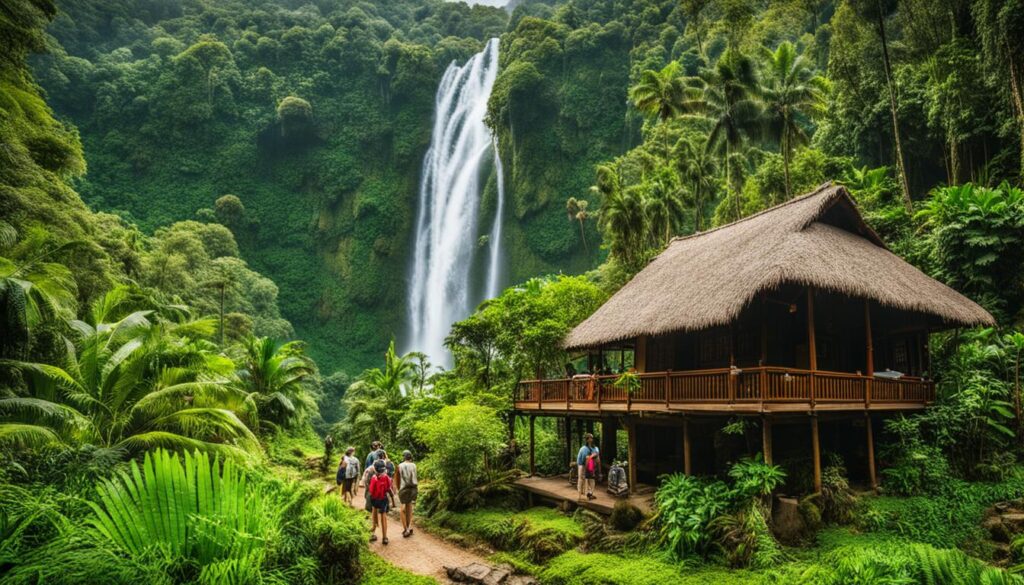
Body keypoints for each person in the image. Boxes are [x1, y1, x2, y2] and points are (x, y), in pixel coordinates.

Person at [368, 459, 393, 545]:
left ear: (375, 469)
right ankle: (385, 537)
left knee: (374, 514)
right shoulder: (386, 477)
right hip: (383, 499)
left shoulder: (374, 478)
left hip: (374, 499)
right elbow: (389, 488)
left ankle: (373, 532)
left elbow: (371, 491)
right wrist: (392, 499)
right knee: (384, 517)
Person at [396, 450, 418, 538]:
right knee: (409, 507)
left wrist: (398, 489)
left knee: (402, 508)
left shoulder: (400, 466)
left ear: (403, 457)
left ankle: (405, 528)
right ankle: (409, 527)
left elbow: (397, 479)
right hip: (413, 488)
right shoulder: (414, 465)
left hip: (403, 488)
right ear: (411, 457)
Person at [576, 433, 600, 501]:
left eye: (592, 438)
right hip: (582, 465)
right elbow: (584, 459)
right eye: (589, 438)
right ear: (587, 440)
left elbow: (597, 455)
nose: (591, 439)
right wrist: (592, 456)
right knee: (582, 479)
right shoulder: (583, 449)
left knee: (591, 479)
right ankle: (580, 495)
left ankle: (590, 494)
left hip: (590, 464)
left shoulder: (595, 448)